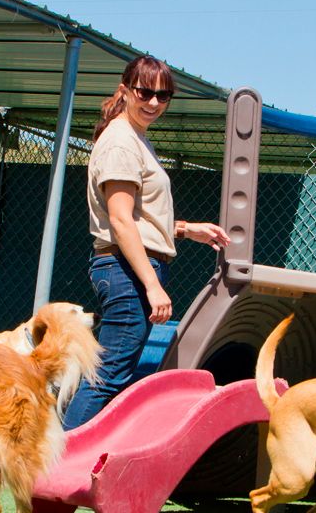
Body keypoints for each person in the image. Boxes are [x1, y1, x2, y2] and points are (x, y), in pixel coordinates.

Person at [62, 55, 230, 430]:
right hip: (127, 272)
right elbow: (120, 221)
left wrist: (186, 230)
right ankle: (56, 474)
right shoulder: (121, 141)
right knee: (108, 379)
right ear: (125, 90)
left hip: (129, 268)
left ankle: (69, 469)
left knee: (110, 376)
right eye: (145, 92)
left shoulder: (135, 138)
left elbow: (138, 218)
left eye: (163, 95)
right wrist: (152, 286)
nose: (154, 102)